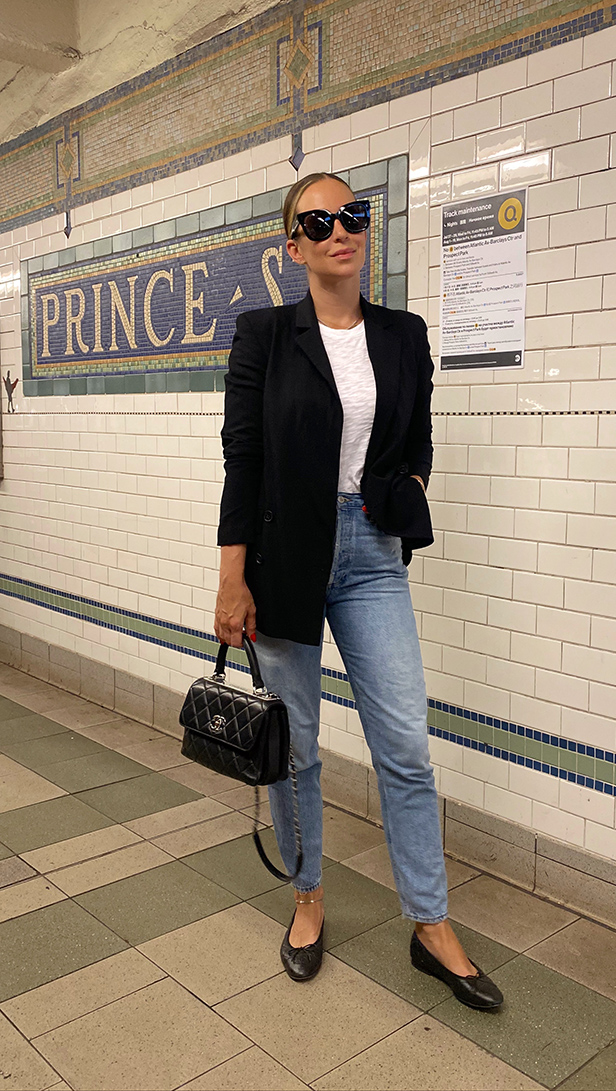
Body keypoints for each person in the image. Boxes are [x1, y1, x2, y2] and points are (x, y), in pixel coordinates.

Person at [214, 172, 503, 1009]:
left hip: (372, 551)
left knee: (404, 743)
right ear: (293, 244)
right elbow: (244, 460)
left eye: (354, 214)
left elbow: (419, 437)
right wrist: (232, 579)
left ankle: (430, 921)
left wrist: (404, 487)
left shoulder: (404, 335)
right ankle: (308, 898)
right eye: (320, 220)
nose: (341, 229)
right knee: (295, 744)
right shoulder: (264, 334)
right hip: (284, 557)